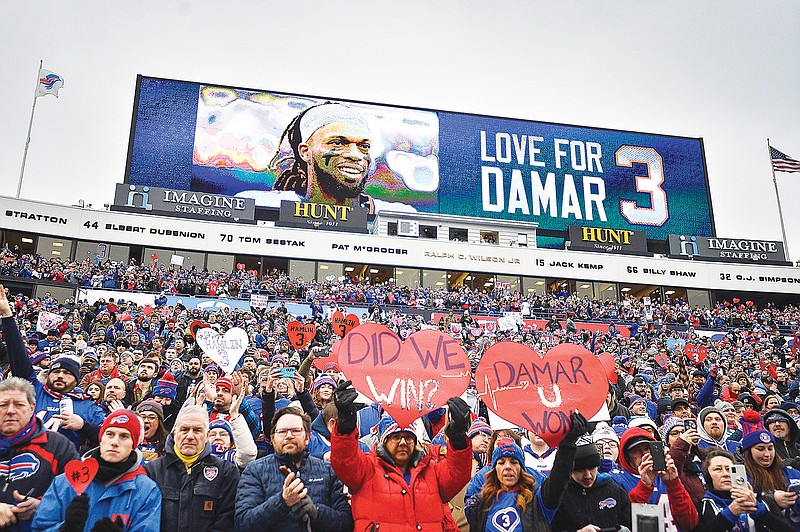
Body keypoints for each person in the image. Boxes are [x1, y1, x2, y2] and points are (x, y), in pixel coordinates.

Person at [330, 380, 473, 530]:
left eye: (408, 437)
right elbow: (344, 461)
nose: (403, 442)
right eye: (396, 437)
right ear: (384, 441)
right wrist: (345, 424)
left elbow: (458, 474)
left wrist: (458, 439)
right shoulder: (367, 469)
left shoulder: (431, 470)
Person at [0, 285, 106, 450]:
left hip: (63, 467)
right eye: (56, 371)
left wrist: (83, 426)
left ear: (77, 380)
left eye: (67, 373)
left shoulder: (88, 406)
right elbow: (18, 356)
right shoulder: (34, 389)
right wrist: (7, 315)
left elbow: (109, 436)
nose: (60, 376)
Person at [33, 409, 162, 532]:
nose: (115, 442)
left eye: (124, 436)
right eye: (110, 434)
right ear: (101, 439)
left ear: (133, 444)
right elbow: (40, 527)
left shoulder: (146, 491)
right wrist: (65, 529)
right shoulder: (66, 481)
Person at [234, 406, 352, 531]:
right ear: (273, 439)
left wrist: (317, 512)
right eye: (282, 431)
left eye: (296, 430)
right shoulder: (255, 471)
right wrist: (282, 501)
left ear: (307, 437)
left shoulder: (328, 471)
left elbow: (346, 523)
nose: (289, 436)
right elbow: (242, 524)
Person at [468, 412, 587, 532]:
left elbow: (559, 479)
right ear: (494, 470)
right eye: (501, 462)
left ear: (522, 469)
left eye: (514, 462)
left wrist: (568, 443)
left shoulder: (538, 499)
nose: (508, 467)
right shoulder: (480, 504)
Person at [143, 406, 240, 532]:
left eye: (197, 430)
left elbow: (227, 521)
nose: (190, 436)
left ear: (207, 436)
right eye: (184, 429)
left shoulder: (226, 473)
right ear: (175, 433)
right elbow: (146, 521)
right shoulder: (152, 471)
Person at [0, 377, 78, 531]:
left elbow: (79, 495)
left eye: (18, 404)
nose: (10, 410)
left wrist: (43, 506)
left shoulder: (59, 446)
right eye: (3, 405)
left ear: (32, 408)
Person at [268, 102, 377, 211]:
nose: (355, 155)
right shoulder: (272, 206)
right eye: (338, 143)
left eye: (364, 146)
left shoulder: (384, 212)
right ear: (305, 152)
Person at [609, 427, 698, 532]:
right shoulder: (617, 480)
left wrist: (674, 484)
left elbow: (690, 522)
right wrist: (644, 486)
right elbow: (626, 522)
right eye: (636, 450)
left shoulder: (665, 475)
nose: (643, 454)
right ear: (626, 455)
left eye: (647, 448)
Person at [694, 447, 794, 532]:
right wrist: (729, 514)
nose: (725, 474)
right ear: (708, 476)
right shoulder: (702, 507)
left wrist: (760, 511)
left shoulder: (759, 501)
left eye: (730, 469)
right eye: (718, 469)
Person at [550, 442, 632, 532]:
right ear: (570, 470)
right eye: (580, 470)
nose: (588, 475)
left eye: (592, 468)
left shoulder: (616, 492)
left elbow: (630, 526)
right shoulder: (558, 495)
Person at [738, 410, 800, 527]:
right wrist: (772, 500)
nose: (767, 454)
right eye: (760, 449)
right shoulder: (743, 476)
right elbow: (740, 509)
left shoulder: (789, 472)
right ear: (748, 452)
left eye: (770, 448)